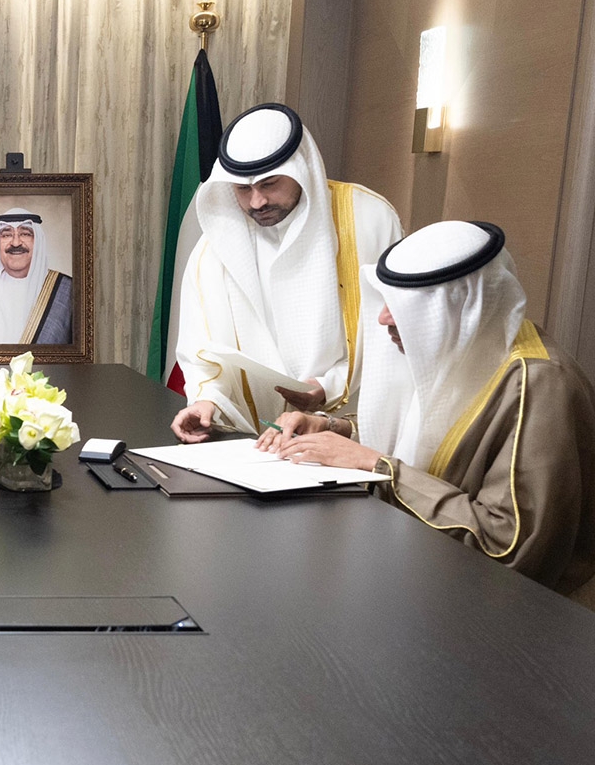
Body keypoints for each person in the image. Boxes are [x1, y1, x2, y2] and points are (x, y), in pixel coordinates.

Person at [258, 221, 595, 593]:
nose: (383, 318)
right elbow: (431, 434)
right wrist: (334, 429)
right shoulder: (466, 345)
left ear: (462, 304)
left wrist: (377, 467)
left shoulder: (540, 386)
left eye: (406, 305)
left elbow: (508, 548)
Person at [170, 103, 403, 442]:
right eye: (243, 189)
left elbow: (397, 331)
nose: (257, 202)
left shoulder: (369, 219)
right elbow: (201, 345)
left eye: (270, 184)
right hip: (255, 444)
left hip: (347, 434)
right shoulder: (215, 246)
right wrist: (206, 401)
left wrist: (329, 386)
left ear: (301, 169)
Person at [0, 207, 72, 344]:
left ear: (37, 241)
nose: (15, 243)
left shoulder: (68, 292)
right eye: (6, 235)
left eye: (25, 234)